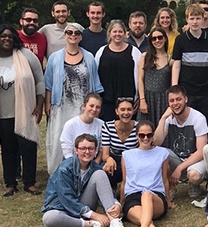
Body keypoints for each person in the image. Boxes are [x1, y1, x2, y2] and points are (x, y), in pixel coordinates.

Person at [0, 25, 45, 197]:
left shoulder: (26, 56)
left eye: (10, 36)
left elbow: (40, 81)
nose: (7, 39)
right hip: (2, 114)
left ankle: (29, 182)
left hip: (26, 111)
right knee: (8, 149)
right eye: (3, 36)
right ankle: (10, 183)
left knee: (28, 146)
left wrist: (39, 105)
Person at [41, 134, 130, 227]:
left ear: (96, 151)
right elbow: (67, 199)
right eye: (83, 148)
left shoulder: (95, 167)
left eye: (91, 148)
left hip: (83, 205)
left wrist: (116, 205)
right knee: (49, 219)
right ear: (76, 150)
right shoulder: (65, 169)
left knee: (100, 174)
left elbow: (105, 190)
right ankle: (89, 224)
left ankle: (114, 221)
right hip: (62, 207)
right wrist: (95, 216)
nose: (87, 152)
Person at [45, 22, 103, 175]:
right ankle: (58, 173)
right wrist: (47, 104)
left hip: (83, 107)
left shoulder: (89, 57)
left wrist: (94, 107)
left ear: (81, 36)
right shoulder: (54, 58)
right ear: (65, 35)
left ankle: (83, 171)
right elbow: (49, 84)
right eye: (69, 33)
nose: (73, 36)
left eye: (76, 33)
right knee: (59, 139)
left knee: (82, 140)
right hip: (61, 105)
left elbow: (95, 85)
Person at [121, 120, 174, 227]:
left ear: (153, 135)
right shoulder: (127, 155)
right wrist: (121, 203)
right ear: (136, 136)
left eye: (149, 135)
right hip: (133, 197)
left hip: (155, 196)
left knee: (147, 194)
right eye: (142, 135)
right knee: (142, 213)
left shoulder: (162, 153)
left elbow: (165, 179)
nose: (145, 138)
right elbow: (124, 181)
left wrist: (168, 201)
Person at [153, 85, 208, 198]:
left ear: (186, 99)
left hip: (196, 160)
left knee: (194, 176)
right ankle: (171, 187)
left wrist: (179, 168)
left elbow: (201, 151)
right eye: (172, 101)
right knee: (159, 152)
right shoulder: (169, 118)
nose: (175, 103)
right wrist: (163, 118)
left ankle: (194, 184)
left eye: (179, 99)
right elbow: (156, 142)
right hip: (178, 158)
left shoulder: (198, 118)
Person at [171, 3, 208, 129]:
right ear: (187, 19)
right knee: (187, 123)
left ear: (203, 18)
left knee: (205, 122)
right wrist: (174, 88)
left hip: (206, 90)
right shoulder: (181, 39)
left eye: (198, 18)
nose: (195, 22)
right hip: (187, 89)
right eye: (191, 18)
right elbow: (177, 65)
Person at [95, 20, 142, 122]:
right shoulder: (101, 52)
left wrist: (138, 97)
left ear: (125, 34)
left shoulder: (134, 52)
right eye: (114, 31)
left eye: (120, 32)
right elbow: (95, 75)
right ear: (110, 33)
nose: (117, 34)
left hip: (128, 102)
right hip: (106, 101)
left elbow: (140, 76)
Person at [101, 98, 139, 189]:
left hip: (133, 161)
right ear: (116, 111)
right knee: (107, 167)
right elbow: (104, 154)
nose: (126, 113)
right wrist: (108, 158)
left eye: (129, 109)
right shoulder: (107, 126)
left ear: (133, 111)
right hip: (115, 160)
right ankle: (111, 193)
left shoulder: (139, 127)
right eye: (122, 109)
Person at [138, 27, 172, 126]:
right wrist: (142, 100)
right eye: (154, 38)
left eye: (160, 37)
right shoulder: (145, 56)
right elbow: (140, 79)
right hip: (148, 99)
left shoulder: (170, 59)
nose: (157, 41)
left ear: (165, 38)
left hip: (163, 100)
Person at [59, 93, 104, 160]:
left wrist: (94, 166)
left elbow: (101, 149)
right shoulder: (70, 124)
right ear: (84, 106)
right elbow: (67, 151)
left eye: (98, 107)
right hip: (73, 160)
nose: (94, 109)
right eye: (91, 106)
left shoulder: (102, 124)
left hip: (93, 161)